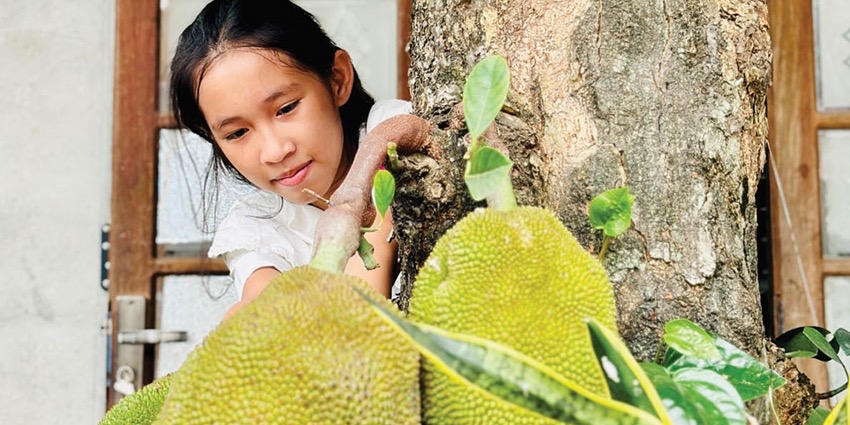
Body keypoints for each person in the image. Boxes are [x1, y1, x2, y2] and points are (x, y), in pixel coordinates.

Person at [170, 0, 414, 318]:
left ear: (337, 80)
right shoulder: (254, 229)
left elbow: (405, 131)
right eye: (237, 133)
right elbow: (275, 327)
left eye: (286, 109)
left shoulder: (388, 128)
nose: (275, 151)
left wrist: (368, 214)